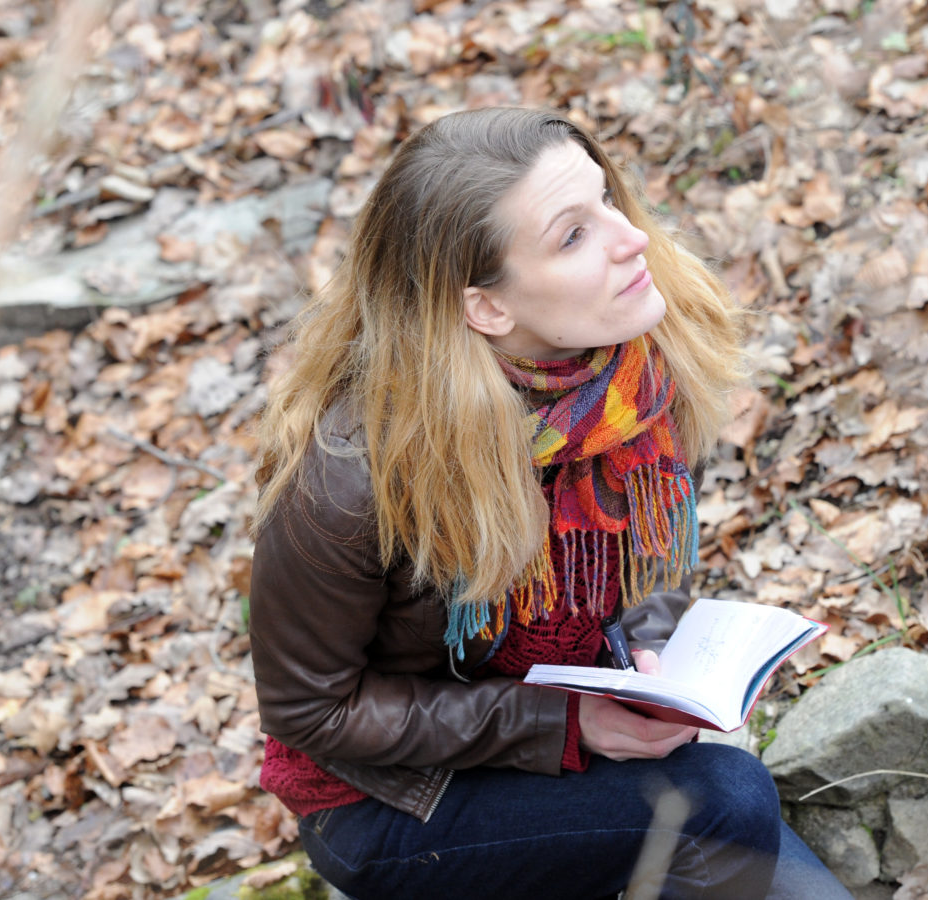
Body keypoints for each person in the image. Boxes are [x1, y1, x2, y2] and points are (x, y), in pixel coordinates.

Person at [249, 107, 853, 899]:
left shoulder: (630, 374)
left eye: (607, 200)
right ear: (487, 308)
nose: (629, 237)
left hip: (577, 724)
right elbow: (311, 713)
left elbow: (646, 560)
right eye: (573, 235)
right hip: (399, 796)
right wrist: (562, 724)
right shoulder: (355, 478)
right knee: (727, 800)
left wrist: (653, 652)